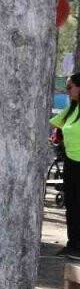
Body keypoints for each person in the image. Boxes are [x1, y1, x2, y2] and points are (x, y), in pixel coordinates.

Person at [53, 72, 80, 259]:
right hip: (71, 162)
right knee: (71, 205)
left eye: (70, 87)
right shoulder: (72, 109)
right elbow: (55, 123)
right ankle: (73, 245)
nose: (67, 91)